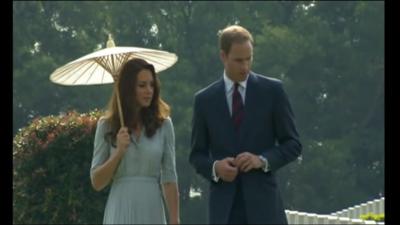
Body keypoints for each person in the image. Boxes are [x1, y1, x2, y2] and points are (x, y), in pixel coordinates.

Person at [189, 25, 302, 224]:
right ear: (223, 56)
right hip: (224, 211)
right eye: (239, 60)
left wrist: (262, 160)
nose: (245, 67)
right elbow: (197, 155)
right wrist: (216, 168)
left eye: (249, 58)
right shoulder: (204, 100)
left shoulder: (273, 91)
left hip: (265, 209)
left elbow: (293, 144)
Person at [90, 58, 180, 224]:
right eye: (142, 85)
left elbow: (169, 177)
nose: (149, 91)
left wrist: (175, 220)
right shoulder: (107, 125)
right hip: (120, 208)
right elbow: (97, 182)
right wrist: (118, 153)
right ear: (128, 89)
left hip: (152, 208)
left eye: (152, 85)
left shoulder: (164, 125)